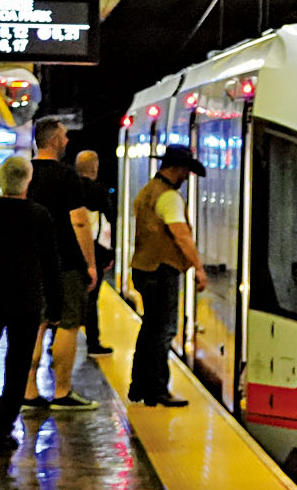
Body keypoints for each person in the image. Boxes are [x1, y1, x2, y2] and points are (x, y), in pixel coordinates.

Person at [0, 154, 62, 458]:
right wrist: (56, 306)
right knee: (18, 362)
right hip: (26, 299)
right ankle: (5, 419)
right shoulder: (40, 215)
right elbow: (51, 264)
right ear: (28, 180)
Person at [26, 118, 101, 411]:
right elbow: (79, 221)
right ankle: (62, 390)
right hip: (65, 261)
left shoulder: (26, 172)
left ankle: (29, 391)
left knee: (37, 323)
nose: (68, 141)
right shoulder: (66, 176)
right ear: (55, 140)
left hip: (31, 260)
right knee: (68, 324)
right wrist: (90, 264)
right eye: (65, 136)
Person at [127, 143, 206, 407]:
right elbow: (181, 235)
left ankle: (138, 386)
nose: (187, 177)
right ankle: (157, 389)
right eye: (186, 171)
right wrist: (199, 267)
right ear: (178, 168)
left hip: (143, 267)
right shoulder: (169, 197)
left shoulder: (149, 190)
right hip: (161, 271)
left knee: (150, 329)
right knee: (163, 330)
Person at [74, 148, 114, 358]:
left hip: (70, 250)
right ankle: (93, 342)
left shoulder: (69, 189)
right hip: (95, 251)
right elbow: (107, 223)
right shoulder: (99, 191)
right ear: (95, 167)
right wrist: (109, 255)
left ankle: (53, 341)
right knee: (91, 299)